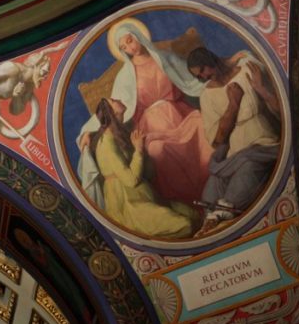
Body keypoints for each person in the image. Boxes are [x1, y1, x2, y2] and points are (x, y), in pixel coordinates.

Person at [76, 22, 212, 209]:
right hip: (150, 127)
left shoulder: (166, 58)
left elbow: (194, 80)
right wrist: (87, 131)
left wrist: (222, 76)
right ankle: (189, 202)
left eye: (130, 41)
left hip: (181, 115)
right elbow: (109, 109)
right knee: (157, 151)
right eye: (124, 48)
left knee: (203, 124)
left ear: (138, 35)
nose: (130, 49)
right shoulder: (125, 76)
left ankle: (213, 186)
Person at [187, 47, 280, 235]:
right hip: (235, 151)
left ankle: (224, 213)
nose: (204, 77)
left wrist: (260, 89)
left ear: (210, 59)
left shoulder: (248, 69)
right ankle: (212, 219)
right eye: (199, 76)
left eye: (203, 70)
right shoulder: (207, 95)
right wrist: (233, 104)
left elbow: (282, 108)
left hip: (263, 142)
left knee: (248, 165)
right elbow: (217, 139)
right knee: (214, 183)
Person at [88, 98, 195, 238]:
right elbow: (131, 180)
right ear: (111, 111)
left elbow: (148, 174)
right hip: (129, 206)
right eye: (113, 100)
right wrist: (138, 150)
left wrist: (141, 149)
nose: (118, 98)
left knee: (194, 215)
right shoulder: (107, 144)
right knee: (186, 225)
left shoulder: (120, 132)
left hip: (145, 197)